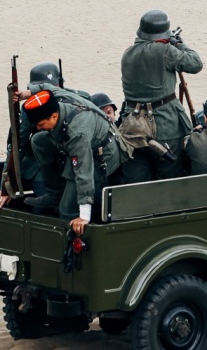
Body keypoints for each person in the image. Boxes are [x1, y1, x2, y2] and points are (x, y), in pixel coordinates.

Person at [22, 90, 124, 235]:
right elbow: (48, 87)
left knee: (67, 208)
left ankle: (71, 243)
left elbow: (84, 171)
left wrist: (84, 215)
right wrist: (26, 93)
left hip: (102, 157)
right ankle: (54, 194)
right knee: (38, 141)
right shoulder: (59, 98)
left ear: (54, 116)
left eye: (41, 124)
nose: (38, 128)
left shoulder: (77, 133)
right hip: (82, 147)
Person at [120, 9, 203, 184]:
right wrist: (178, 43)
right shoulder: (164, 50)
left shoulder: (128, 53)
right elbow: (195, 63)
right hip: (165, 124)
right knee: (168, 178)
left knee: (137, 181)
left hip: (132, 127)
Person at [1, 63, 94, 210]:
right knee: (44, 207)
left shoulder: (80, 98)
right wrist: (6, 186)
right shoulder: (32, 110)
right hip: (46, 164)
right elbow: (17, 144)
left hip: (77, 160)